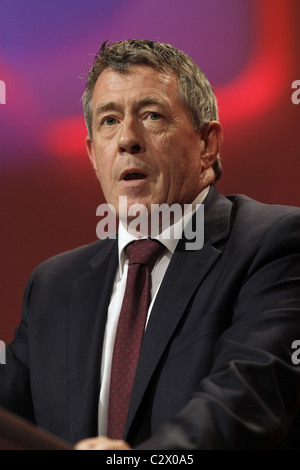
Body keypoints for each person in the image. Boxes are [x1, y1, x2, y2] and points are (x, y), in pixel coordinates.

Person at [1, 39, 300, 450]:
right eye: (108, 121)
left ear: (207, 145)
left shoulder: (274, 243)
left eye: (152, 115)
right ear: (93, 154)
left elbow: (247, 395)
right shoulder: (53, 286)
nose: (127, 139)